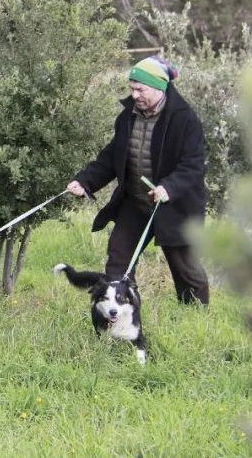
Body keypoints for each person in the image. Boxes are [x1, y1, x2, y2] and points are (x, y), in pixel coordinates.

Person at [66, 55, 210, 304]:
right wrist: (85, 181)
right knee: (118, 261)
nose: (134, 95)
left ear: (159, 87)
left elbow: (193, 164)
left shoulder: (185, 120)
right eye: (132, 88)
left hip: (175, 207)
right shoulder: (127, 117)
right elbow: (112, 157)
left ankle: (197, 318)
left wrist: (169, 187)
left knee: (187, 272)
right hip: (136, 203)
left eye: (140, 89)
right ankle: (122, 318)